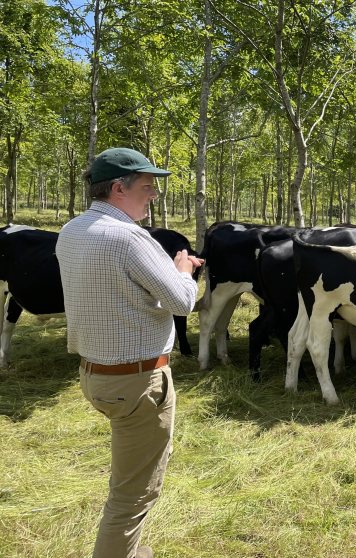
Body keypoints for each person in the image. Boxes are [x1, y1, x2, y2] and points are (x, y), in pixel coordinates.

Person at [56, 148, 203, 558]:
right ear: (119, 188)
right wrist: (184, 271)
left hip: (95, 374)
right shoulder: (130, 238)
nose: (153, 194)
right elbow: (181, 303)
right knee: (132, 496)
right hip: (138, 382)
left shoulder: (71, 230)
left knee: (129, 480)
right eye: (147, 186)